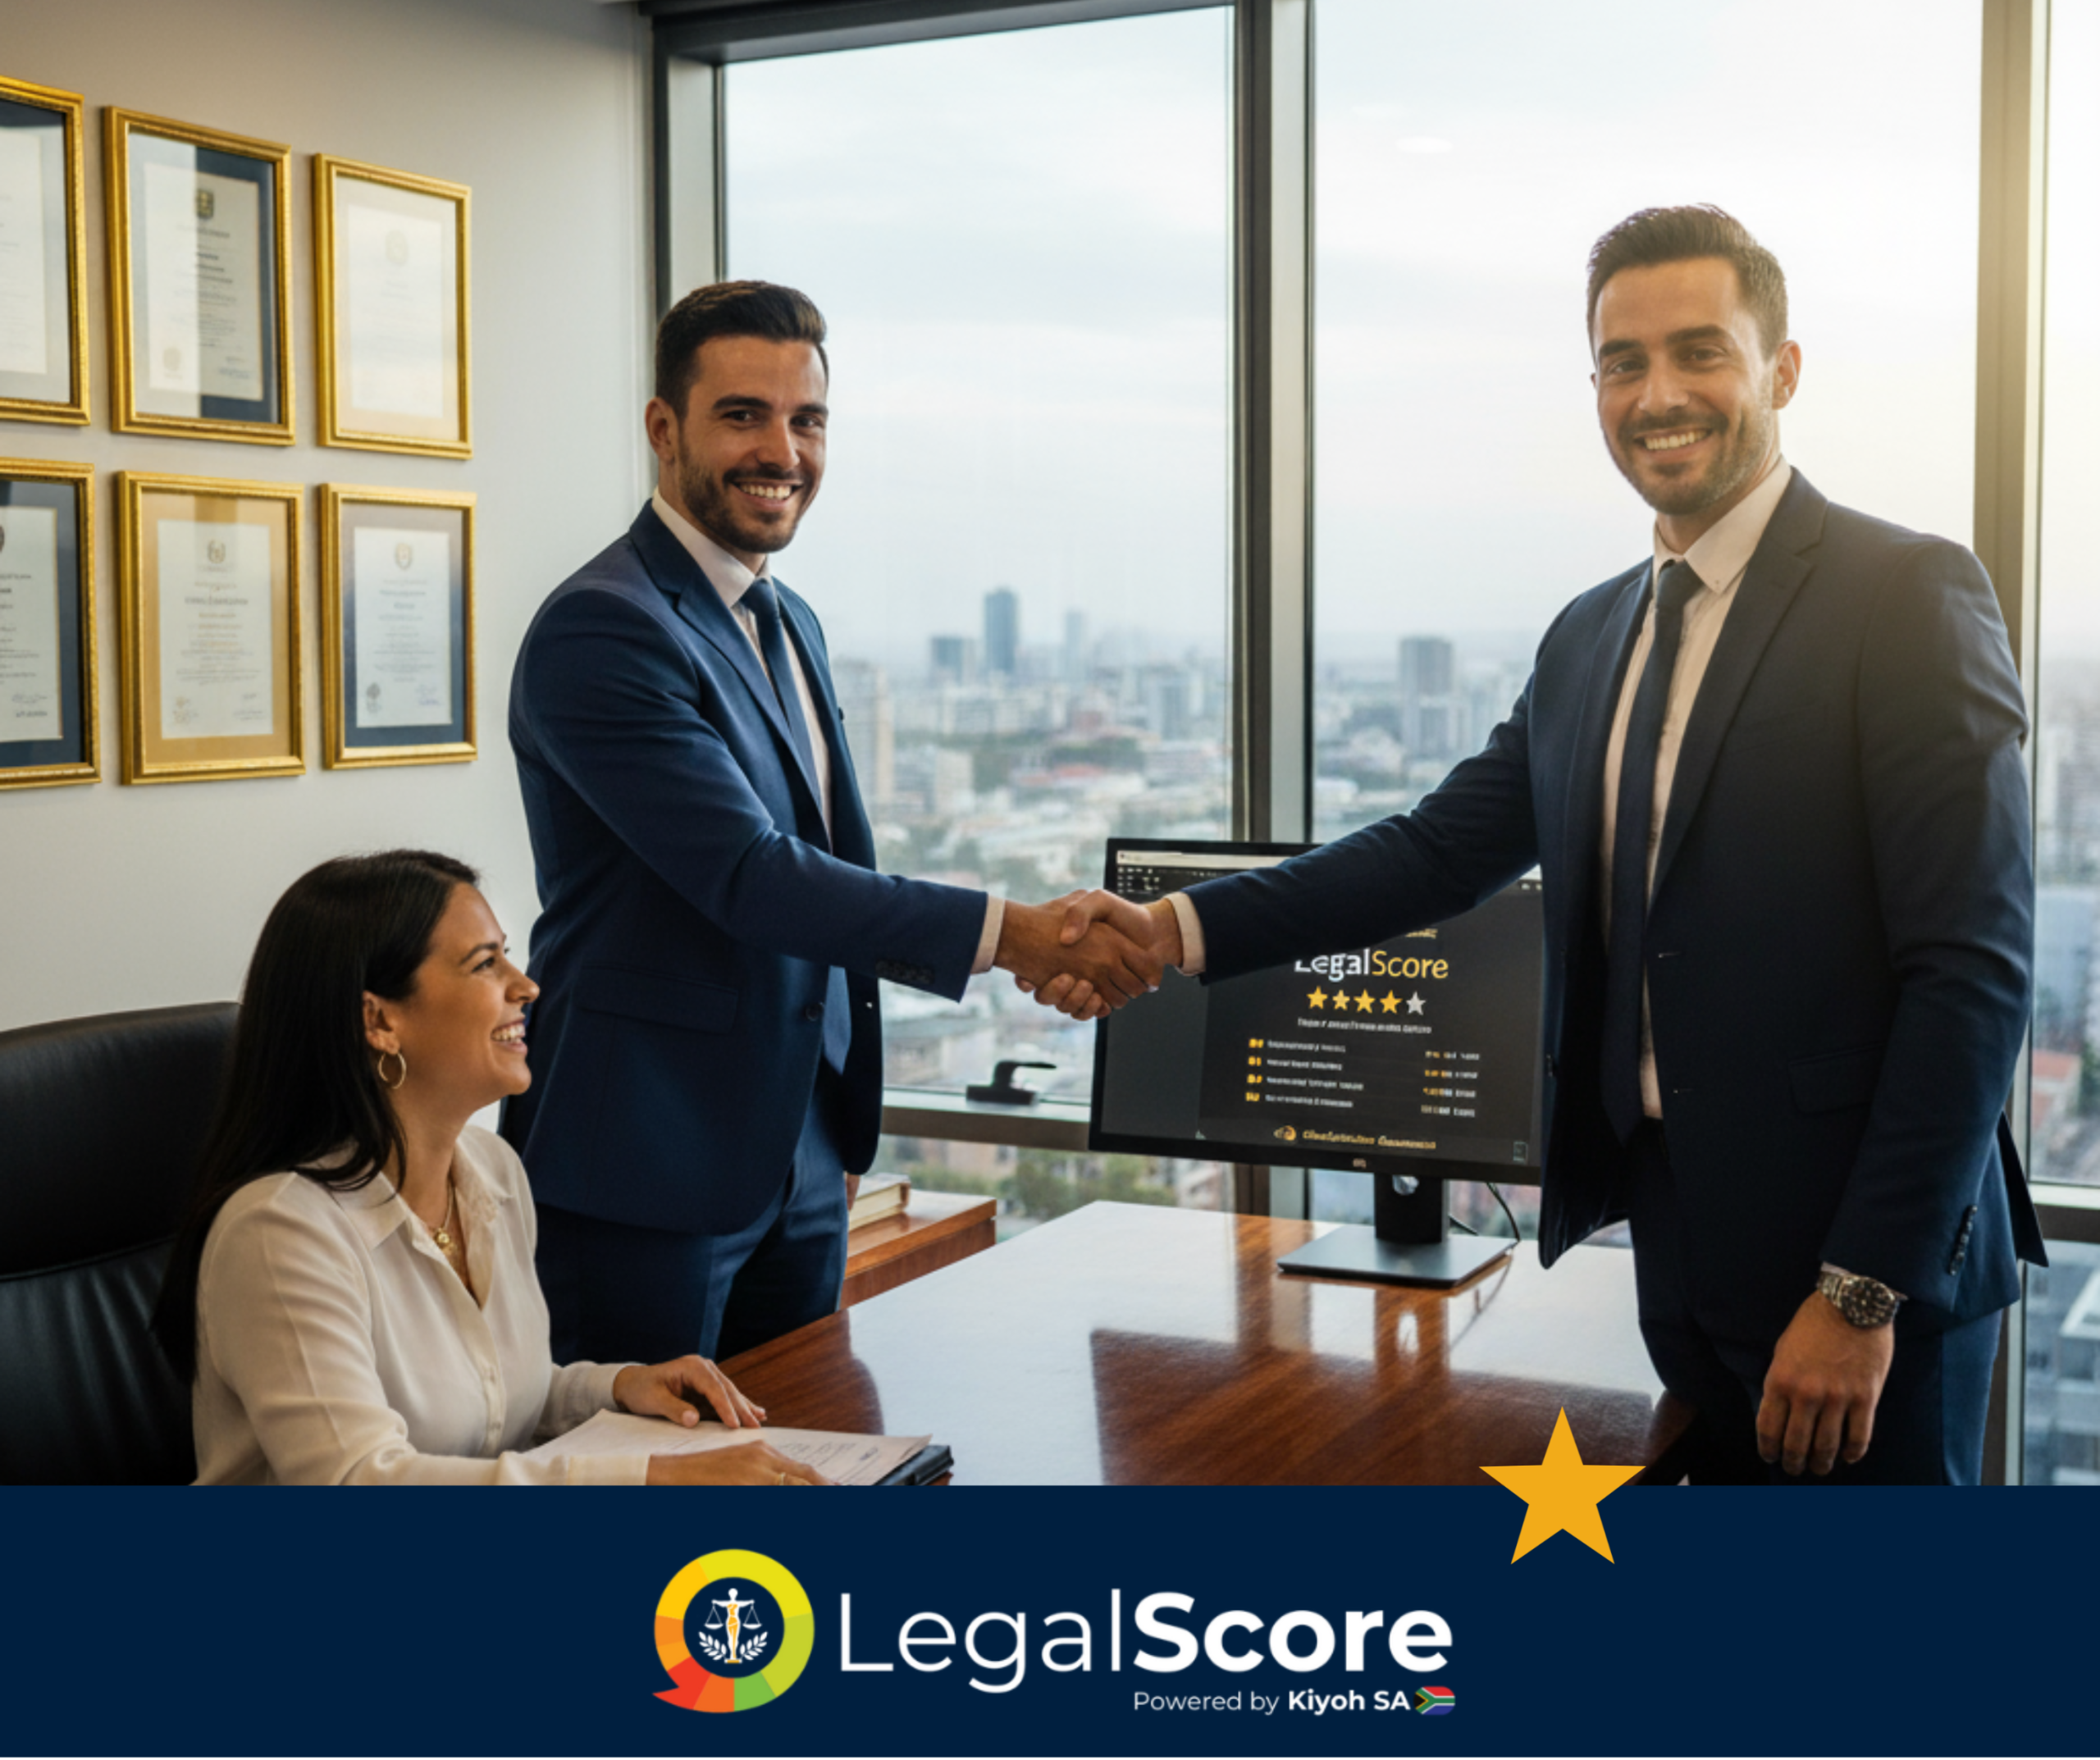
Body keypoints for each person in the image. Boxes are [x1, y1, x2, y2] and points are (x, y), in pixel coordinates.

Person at [1042, 205, 2044, 1484]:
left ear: (1783, 369)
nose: (1658, 393)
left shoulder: (1905, 593)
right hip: (1678, 1241)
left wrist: (1861, 1293)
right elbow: (1430, 853)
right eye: (1622, 362)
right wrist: (1177, 927)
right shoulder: (1592, 633)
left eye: (1701, 352)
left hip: (1859, 1278)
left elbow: (1973, 974)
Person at [504, 280, 1155, 1368]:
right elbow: (756, 878)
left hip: (800, 1152)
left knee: (818, 1463)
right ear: (664, 429)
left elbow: (832, 866)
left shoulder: (786, 617)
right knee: (643, 1494)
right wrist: (1020, 936)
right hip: (642, 1167)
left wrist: (831, 1132)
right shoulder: (601, 629)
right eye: (743, 415)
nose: (783, 451)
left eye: (807, 420)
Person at [151, 850, 829, 1485]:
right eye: (484, 965)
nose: (527, 986)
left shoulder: (492, 1171)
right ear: (379, 1021)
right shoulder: (281, 1232)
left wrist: (617, 1385)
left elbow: (495, 1405)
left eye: (507, 956)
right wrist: (645, 1477)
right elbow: (360, 1480)